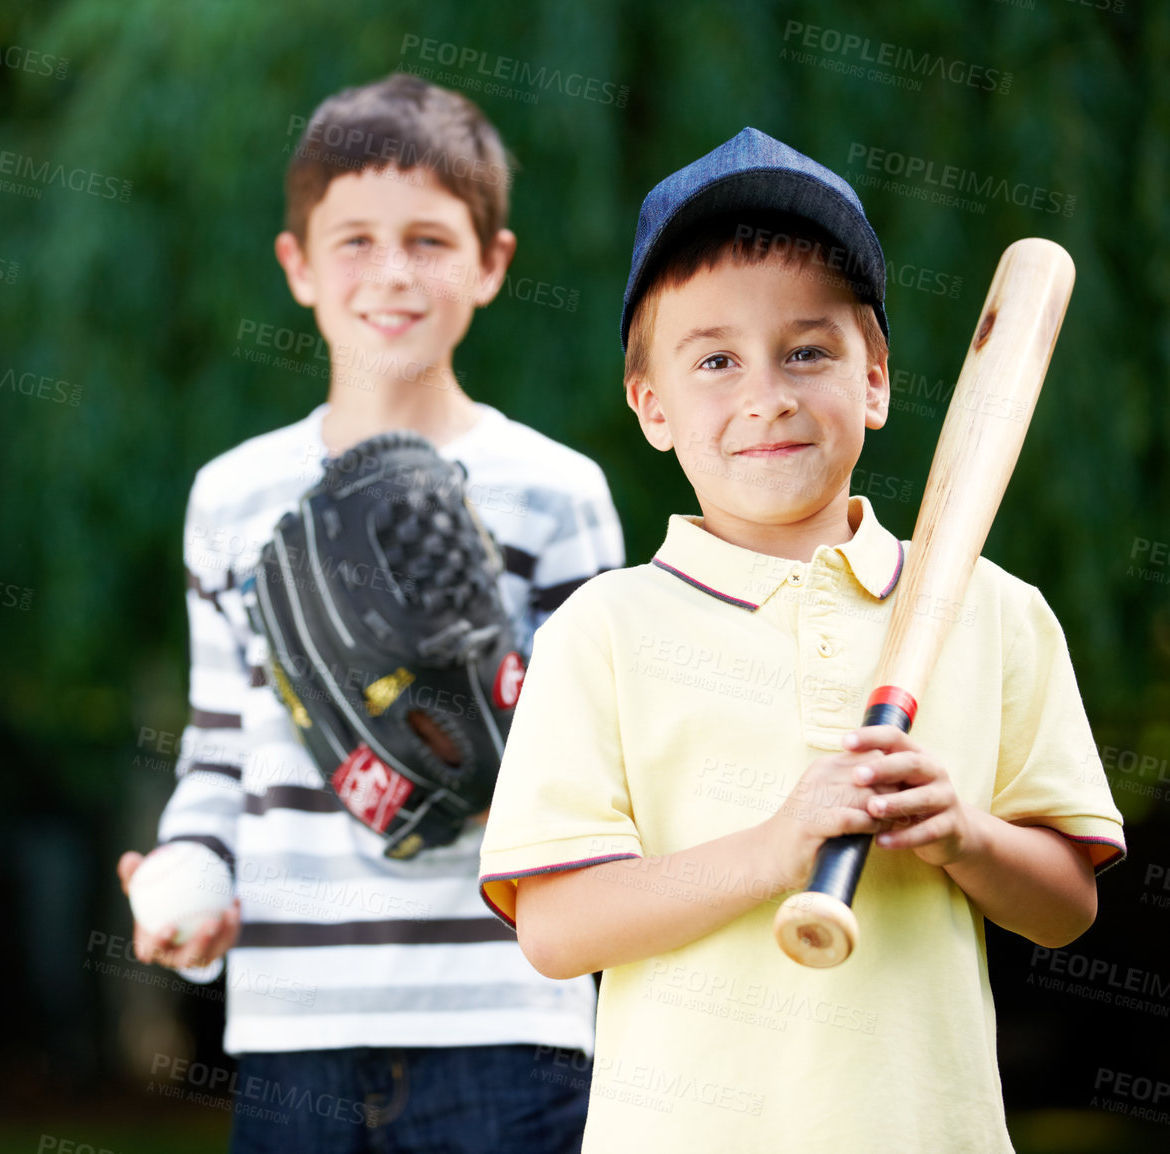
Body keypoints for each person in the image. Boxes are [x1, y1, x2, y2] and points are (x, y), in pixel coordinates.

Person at [478, 126, 1127, 1153]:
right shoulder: (601, 630)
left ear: (873, 379)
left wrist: (964, 833)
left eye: (807, 349)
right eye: (715, 359)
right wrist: (774, 847)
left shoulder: (994, 608)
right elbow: (555, 928)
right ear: (652, 406)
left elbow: (1064, 906)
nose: (766, 395)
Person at [116, 73, 625, 1152]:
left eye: (430, 241)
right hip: (294, 1024)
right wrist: (191, 883)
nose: (391, 272)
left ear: (491, 265)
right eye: (353, 239)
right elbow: (217, 754)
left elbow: (597, 765)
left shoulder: (556, 489)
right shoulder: (232, 495)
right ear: (297, 265)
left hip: (504, 1017)